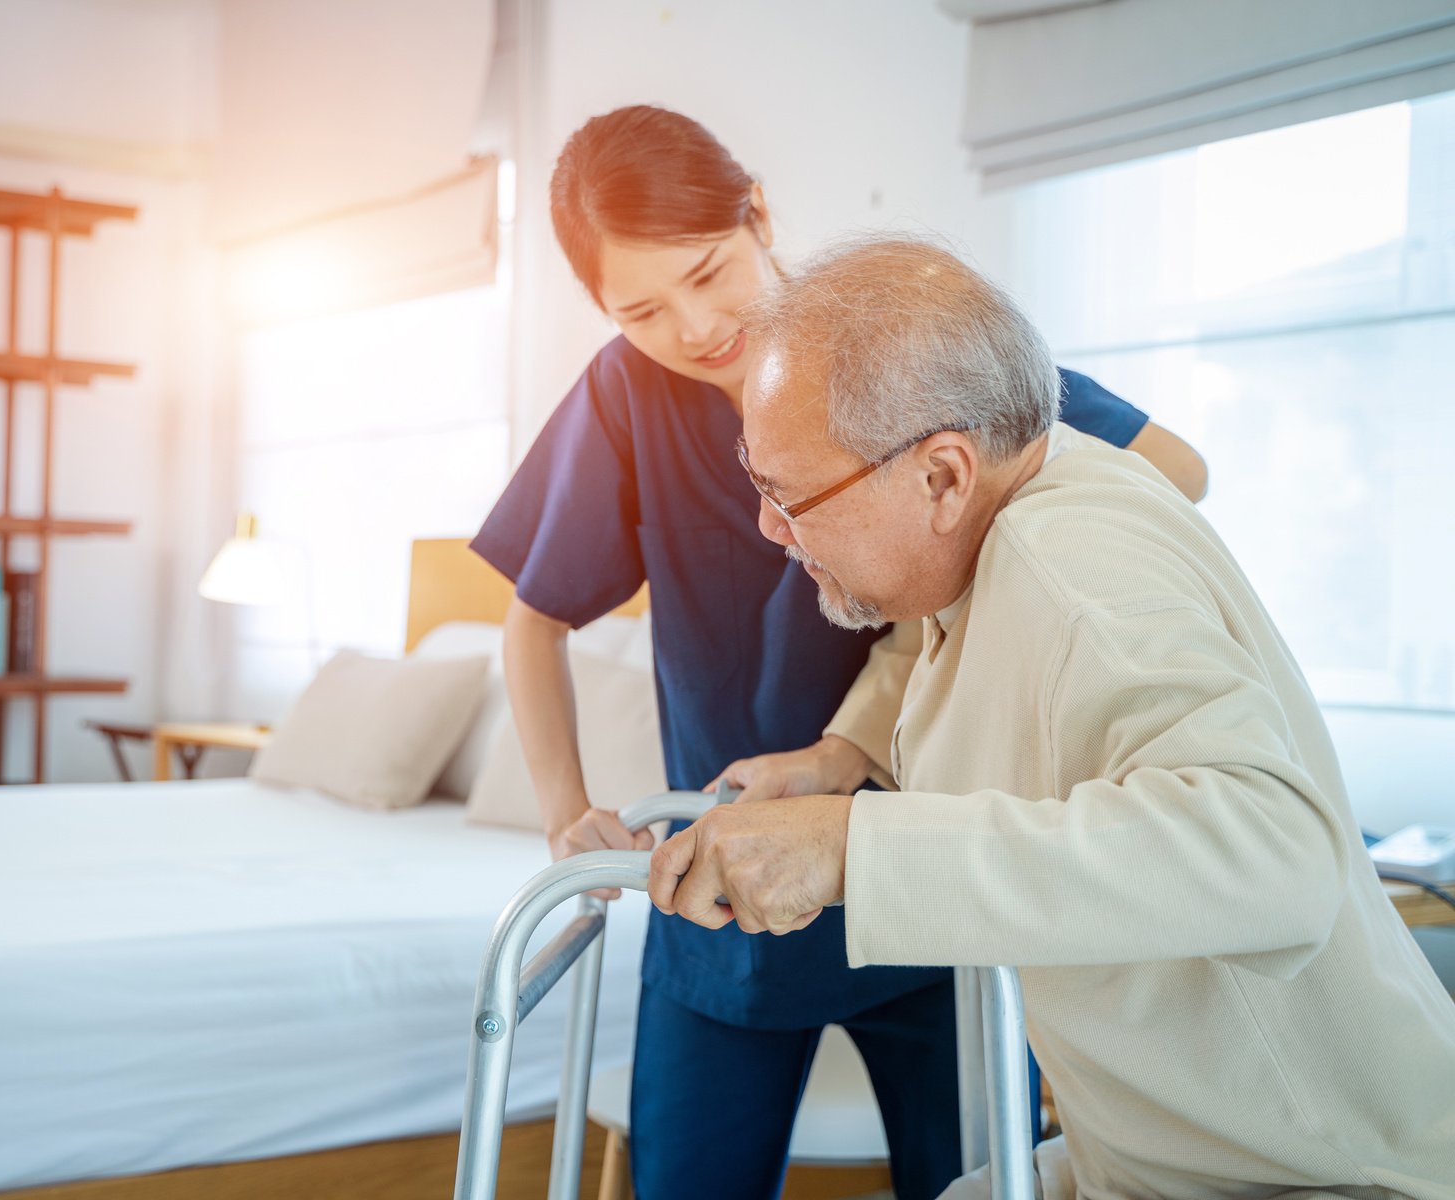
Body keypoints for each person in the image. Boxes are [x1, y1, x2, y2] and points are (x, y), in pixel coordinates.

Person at [470, 106, 1209, 1200]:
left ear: (758, 213)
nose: (694, 325)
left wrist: (965, 611)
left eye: (710, 271)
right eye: (641, 309)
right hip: (723, 886)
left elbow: (1173, 470)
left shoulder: (898, 334)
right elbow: (533, 618)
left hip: (924, 864)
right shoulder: (628, 397)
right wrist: (565, 808)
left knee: (968, 1176)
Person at [648, 235, 1455, 1199]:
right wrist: (839, 764)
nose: (771, 528)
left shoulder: (1075, 566)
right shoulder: (1002, 522)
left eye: (791, 495)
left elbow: (1275, 851)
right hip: (1152, 1161)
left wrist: (854, 848)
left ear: (942, 476)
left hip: (1313, 1175)